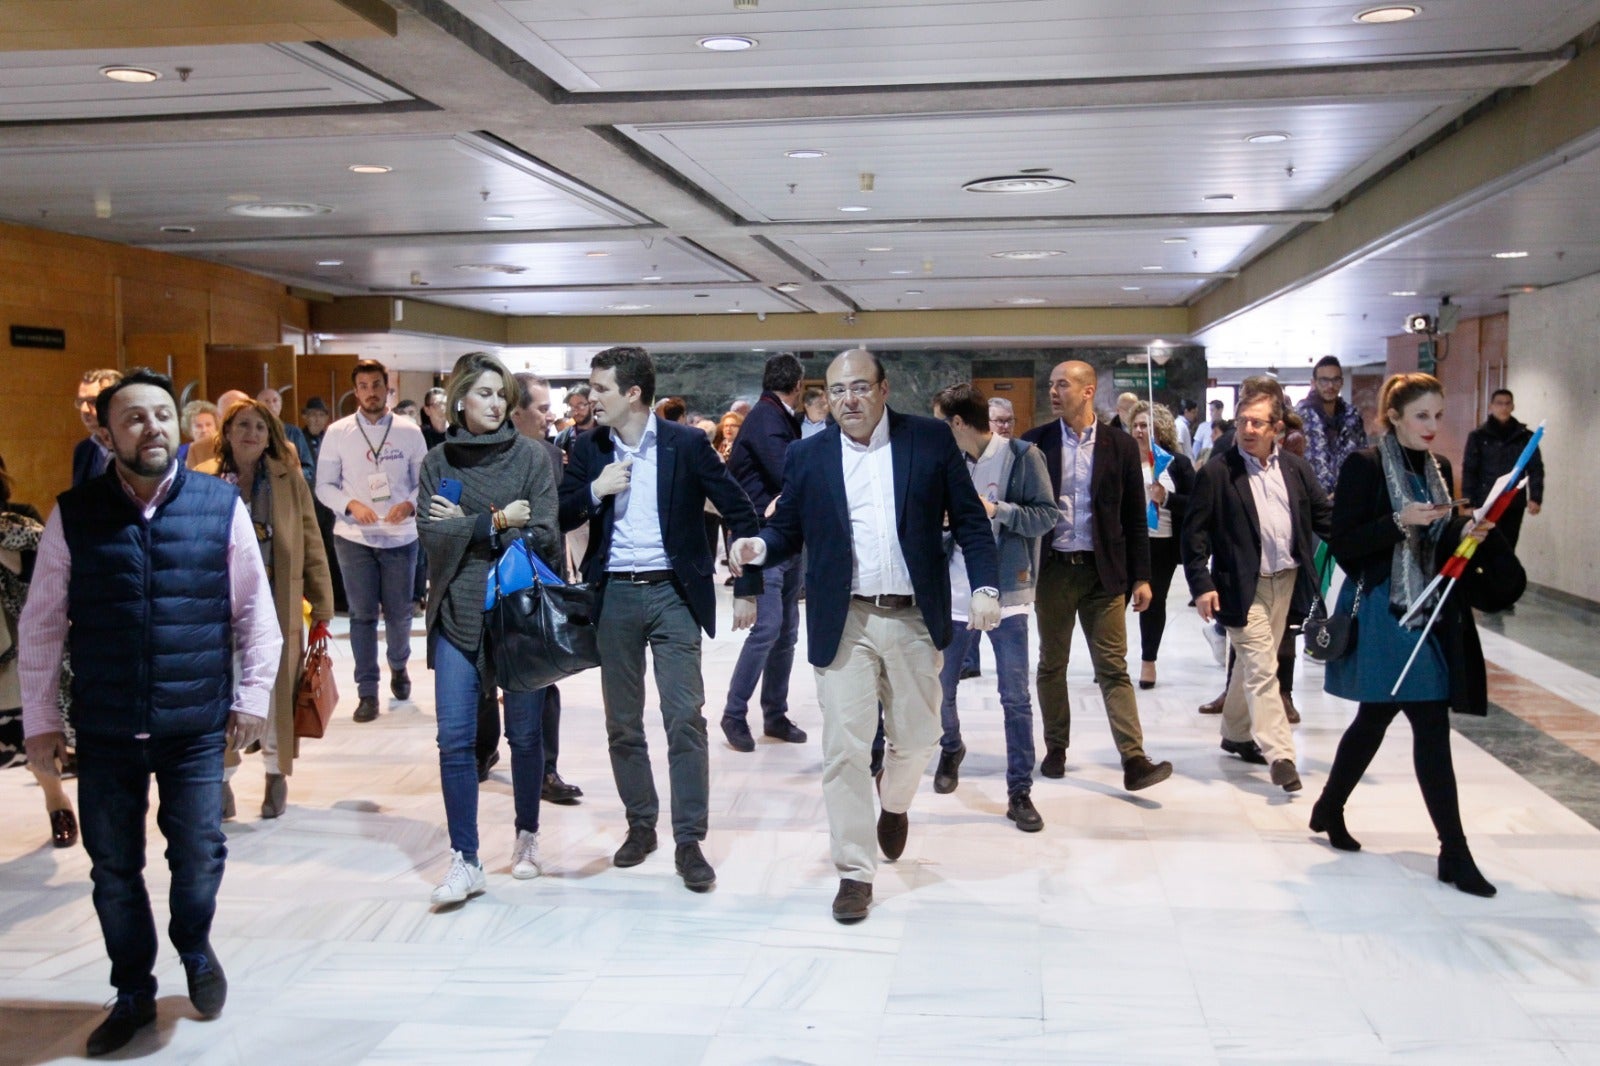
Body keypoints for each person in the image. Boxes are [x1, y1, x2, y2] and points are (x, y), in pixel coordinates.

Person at [19, 369, 281, 1056]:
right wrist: (40, 721)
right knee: (113, 867)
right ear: (106, 434)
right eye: (134, 418)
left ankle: (193, 945)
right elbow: (42, 624)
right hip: (105, 726)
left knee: (198, 854)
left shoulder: (218, 508)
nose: (153, 428)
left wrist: (251, 699)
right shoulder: (73, 514)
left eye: (162, 415)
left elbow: (258, 616)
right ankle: (133, 988)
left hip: (194, 724)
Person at [729, 349, 1000, 924]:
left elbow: (972, 522)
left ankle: (895, 802)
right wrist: (760, 548)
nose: (848, 400)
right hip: (843, 617)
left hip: (910, 616)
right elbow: (786, 528)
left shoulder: (928, 440)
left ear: (882, 389)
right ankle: (854, 871)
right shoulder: (808, 455)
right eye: (836, 390)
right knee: (844, 749)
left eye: (859, 387)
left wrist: (986, 587)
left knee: (919, 736)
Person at [559, 346, 761, 893]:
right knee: (622, 722)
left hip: (674, 592)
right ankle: (640, 824)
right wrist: (594, 492)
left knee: (684, 717)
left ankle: (690, 839)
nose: (589, 399)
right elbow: (561, 510)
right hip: (615, 596)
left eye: (600, 389)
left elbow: (740, 511)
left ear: (632, 393)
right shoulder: (588, 446)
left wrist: (748, 585)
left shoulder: (686, 444)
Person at [1312, 373, 1510, 898]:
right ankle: (1455, 852)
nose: (1432, 427)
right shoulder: (1365, 465)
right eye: (1421, 416)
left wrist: (1464, 533)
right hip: (1383, 607)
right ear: (1393, 416)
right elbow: (1346, 545)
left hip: (1431, 609)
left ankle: (1331, 805)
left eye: (1438, 416)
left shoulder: (1439, 468)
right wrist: (1399, 522)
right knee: (1425, 718)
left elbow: (1441, 544)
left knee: (1378, 716)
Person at [416, 353, 561, 904]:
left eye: (501, 394)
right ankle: (465, 858)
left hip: (518, 609)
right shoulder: (439, 461)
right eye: (483, 394)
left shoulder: (531, 456)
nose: (496, 403)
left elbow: (544, 534)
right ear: (459, 400)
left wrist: (466, 529)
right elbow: (431, 535)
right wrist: (500, 521)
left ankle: (526, 836)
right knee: (454, 739)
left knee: (524, 734)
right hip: (456, 607)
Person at [1022, 361, 1173, 792]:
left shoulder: (1121, 446)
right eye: (1051, 385)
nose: (1054, 392)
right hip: (1052, 572)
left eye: (1063, 384)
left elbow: (1134, 517)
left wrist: (1141, 577)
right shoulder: (1035, 444)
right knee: (1052, 664)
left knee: (1113, 668)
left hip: (1103, 574)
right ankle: (1056, 747)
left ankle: (1134, 759)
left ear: (1088, 391)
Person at [1182, 377, 1331, 794]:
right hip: (1240, 586)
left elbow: (1323, 518)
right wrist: (1201, 584)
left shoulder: (1296, 469)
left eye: (1258, 423)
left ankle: (1234, 731)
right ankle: (1280, 754)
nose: (1248, 429)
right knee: (1264, 667)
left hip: (1287, 582)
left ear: (1277, 428)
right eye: (1243, 421)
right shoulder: (1217, 472)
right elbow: (1193, 536)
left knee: (1252, 662)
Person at [196, 398, 334, 820]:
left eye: (259, 426)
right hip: (218, 601)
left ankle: (276, 774)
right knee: (222, 689)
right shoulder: (203, 478)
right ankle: (221, 778)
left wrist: (323, 603)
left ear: (270, 434)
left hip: (277, 599)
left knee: (277, 693)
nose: (251, 433)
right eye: (242, 426)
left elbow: (311, 540)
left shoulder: (288, 478)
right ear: (228, 432)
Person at [929, 383, 1058, 831]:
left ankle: (1019, 790)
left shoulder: (1023, 456)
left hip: (1009, 591)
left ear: (959, 422)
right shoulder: (948, 460)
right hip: (955, 590)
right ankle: (951, 746)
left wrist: (997, 510)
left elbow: (1047, 515)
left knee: (1015, 697)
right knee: (940, 690)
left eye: (943, 421)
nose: (939, 430)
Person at [315, 360, 427, 722]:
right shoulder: (338, 432)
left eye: (376, 384)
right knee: (362, 616)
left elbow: (425, 480)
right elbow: (324, 486)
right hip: (353, 537)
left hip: (400, 536)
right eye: (363, 386)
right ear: (356, 391)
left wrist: (410, 504)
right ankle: (367, 692)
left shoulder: (409, 431)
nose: (371, 392)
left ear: (387, 388)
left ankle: (398, 664)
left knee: (398, 614)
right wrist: (351, 505)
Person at [721, 353, 809, 751]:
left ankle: (774, 714)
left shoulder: (773, 415)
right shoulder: (767, 418)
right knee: (768, 627)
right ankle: (733, 714)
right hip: (761, 536)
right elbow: (786, 472)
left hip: (784, 535)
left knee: (786, 632)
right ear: (798, 385)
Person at [502, 372, 582, 804]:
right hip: (487, 579)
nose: (550, 415)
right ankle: (481, 752)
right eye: (542, 407)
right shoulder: (475, 455)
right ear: (516, 412)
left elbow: (555, 521)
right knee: (483, 682)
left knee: (542, 677)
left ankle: (546, 769)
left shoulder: (552, 455)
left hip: (537, 582)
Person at [1, 455, 78, 848]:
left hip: (12, 651)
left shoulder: (19, 521)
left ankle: (56, 800)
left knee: (31, 734)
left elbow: (39, 574)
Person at [1129, 402, 1196, 690]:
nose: (1140, 430)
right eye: (1136, 425)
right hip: (1128, 542)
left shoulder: (1176, 463)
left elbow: (1196, 503)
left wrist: (1166, 498)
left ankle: (1148, 662)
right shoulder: (1124, 460)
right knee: (1113, 601)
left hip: (1162, 544)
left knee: (1153, 604)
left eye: (1146, 425)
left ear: (1161, 429)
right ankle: (1110, 658)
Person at [1463, 388, 1544, 554]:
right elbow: (1470, 469)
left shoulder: (1525, 437)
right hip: (1485, 500)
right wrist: (1468, 502)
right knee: (1482, 546)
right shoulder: (1478, 436)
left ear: (1513, 406)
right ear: (1491, 406)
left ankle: (1505, 580)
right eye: (1499, 404)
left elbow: (1536, 468)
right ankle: (1484, 580)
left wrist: (1535, 497)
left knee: (1508, 546)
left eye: (1507, 404)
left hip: (1513, 501)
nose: (1503, 408)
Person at [1294, 356, 1368, 499]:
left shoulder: (1352, 417)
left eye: (1335, 380)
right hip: (1311, 499)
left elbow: (1362, 456)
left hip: (1348, 497)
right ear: (1313, 383)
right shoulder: (1299, 417)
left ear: (1341, 382)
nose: (1330, 386)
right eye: (1324, 380)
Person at [299, 396, 345, 613]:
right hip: (310, 502)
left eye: (321, 415)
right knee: (314, 549)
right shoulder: (299, 439)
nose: (316, 420)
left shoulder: (334, 439)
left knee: (334, 549)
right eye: (312, 415)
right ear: (304, 417)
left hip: (332, 502)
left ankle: (338, 597)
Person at [555, 384, 596, 578]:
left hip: (601, 501)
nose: (576, 410)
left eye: (581, 404)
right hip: (576, 502)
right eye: (572, 406)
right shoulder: (564, 437)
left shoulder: (605, 432)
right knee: (582, 563)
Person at [70, 368, 122, 487]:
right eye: (81, 401)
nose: (84, 410)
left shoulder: (135, 447)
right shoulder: (83, 450)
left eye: (93, 402)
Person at [256, 388, 313, 483]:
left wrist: (289, 476)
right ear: (257, 406)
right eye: (266, 401)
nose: (271, 405)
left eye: (275, 401)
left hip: (287, 486)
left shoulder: (293, 432)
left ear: (281, 405)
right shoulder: (253, 432)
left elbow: (309, 470)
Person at [185, 390, 251, 471]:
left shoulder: (264, 443)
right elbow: (191, 482)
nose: (237, 421)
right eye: (231, 415)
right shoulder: (198, 449)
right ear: (219, 418)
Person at [178, 400, 218, 469]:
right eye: (198, 426)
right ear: (189, 429)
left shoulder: (225, 449)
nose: (204, 430)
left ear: (216, 426)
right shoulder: (180, 453)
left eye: (208, 425)